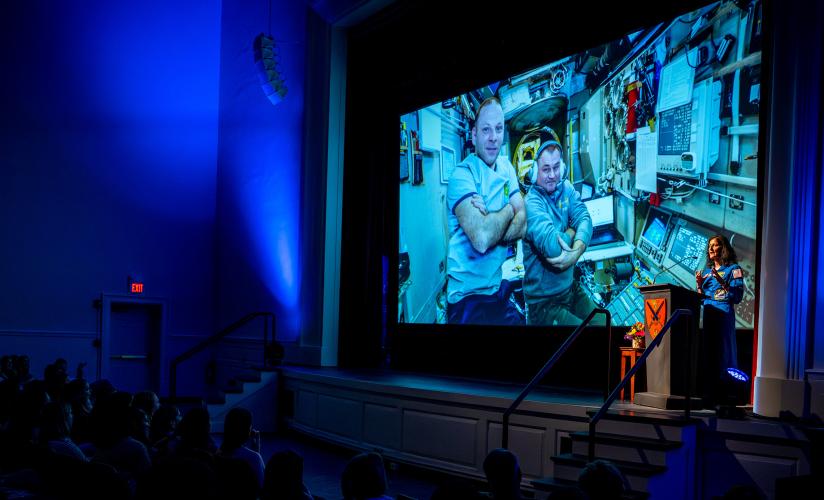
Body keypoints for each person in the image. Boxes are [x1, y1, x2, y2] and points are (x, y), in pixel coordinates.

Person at [446, 96, 526, 325]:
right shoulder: (462, 175)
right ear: (474, 135)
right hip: (467, 298)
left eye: (498, 129)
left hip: (495, 288)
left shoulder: (506, 167)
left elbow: (523, 223)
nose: (493, 137)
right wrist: (509, 208)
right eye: (486, 130)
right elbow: (482, 239)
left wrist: (491, 216)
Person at [523, 140, 599, 326]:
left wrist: (576, 252)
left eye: (556, 167)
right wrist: (572, 229)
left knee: (606, 324)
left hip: (570, 290)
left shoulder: (567, 188)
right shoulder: (531, 202)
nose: (552, 175)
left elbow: (585, 218)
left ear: (562, 167)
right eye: (545, 169)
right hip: (543, 303)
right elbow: (554, 248)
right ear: (535, 172)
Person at [695, 234, 745, 406]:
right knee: (709, 355)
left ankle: (726, 395)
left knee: (724, 354)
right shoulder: (707, 273)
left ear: (723, 248)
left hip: (723, 317)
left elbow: (737, 296)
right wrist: (699, 286)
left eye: (715, 245)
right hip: (709, 316)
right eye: (709, 245)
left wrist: (723, 282)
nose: (710, 248)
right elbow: (702, 299)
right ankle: (710, 395)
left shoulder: (734, 269)